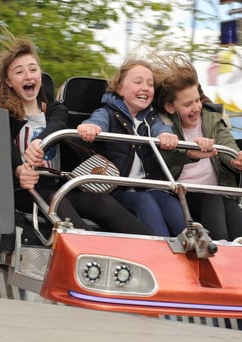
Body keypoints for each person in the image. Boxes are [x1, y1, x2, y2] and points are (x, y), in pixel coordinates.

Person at [0, 36, 152, 236]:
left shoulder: (54, 110)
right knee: (59, 205)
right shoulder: (6, 117)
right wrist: (19, 170)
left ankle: (152, 249)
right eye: (19, 72)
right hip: (24, 190)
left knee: (103, 203)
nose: (28, 75)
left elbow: (57, 124)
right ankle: (91, 253)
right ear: (8, 81)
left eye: (33, 69)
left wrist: (39, 142)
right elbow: (4, 146)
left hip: (56, 185)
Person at [76, 58, 186, 237]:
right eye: (138, 82)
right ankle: (162, 249)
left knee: (170, 202)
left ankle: (192, 246)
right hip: (117, 190)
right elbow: (97, 121)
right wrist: (91, 128)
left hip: (147, 187)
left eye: (150, 84)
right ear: (120, 89)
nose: (145, 87)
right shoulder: (108, 113)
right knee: (143, 202)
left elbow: (161, 129)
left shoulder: (152, 119)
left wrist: (165, 136)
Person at [154, 53, 242, 242]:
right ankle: (219, 244)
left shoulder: (212, 119)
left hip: (215, 194)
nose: (196, 108)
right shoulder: (164, 126)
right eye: (187, 104)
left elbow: (226, 144)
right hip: (181, 194)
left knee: (230, 205)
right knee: (212, 199)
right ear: (170, 107)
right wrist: (191, 154)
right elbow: (165, 160)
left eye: (197, 100)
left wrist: (237, 159)